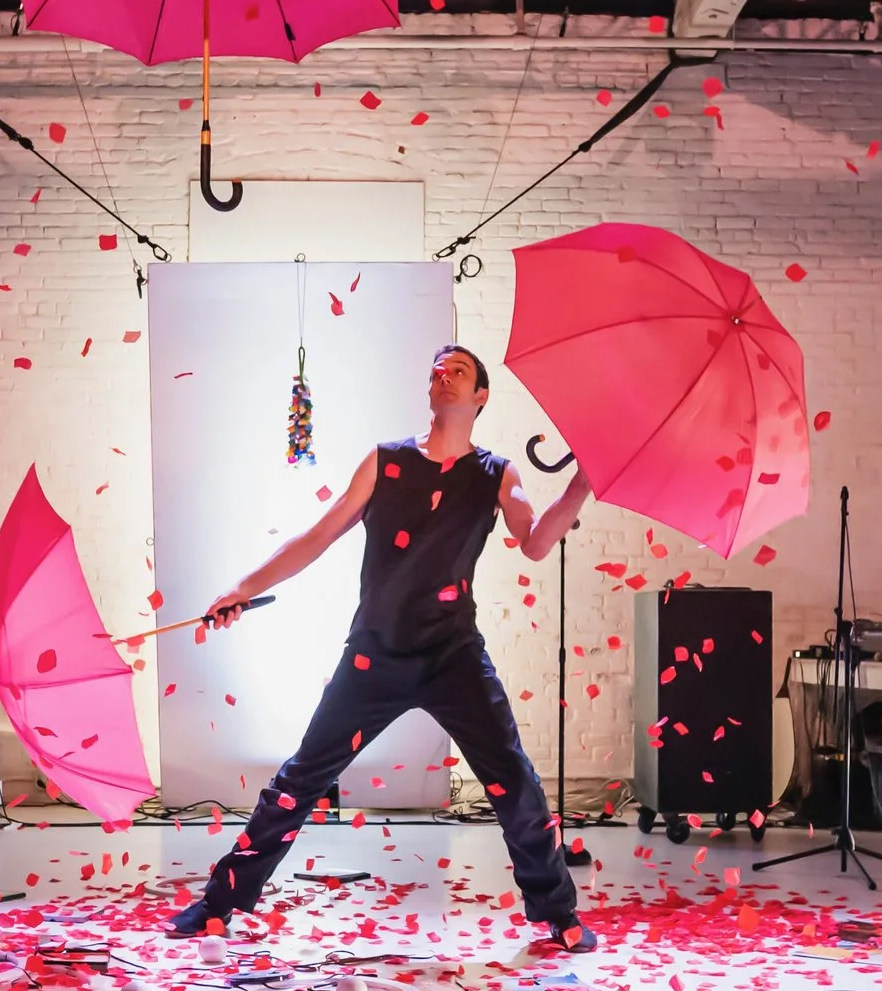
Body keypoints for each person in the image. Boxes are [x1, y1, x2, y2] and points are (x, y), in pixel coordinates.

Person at [165, 345, 600, 951]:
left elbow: (533, 541)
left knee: (515, 782)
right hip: (375, 654)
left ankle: (558, 912)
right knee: (299, 780)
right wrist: (242, 588)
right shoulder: (386, 461)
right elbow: (317, 537)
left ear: (481, 397)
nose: (442, 375)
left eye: (460, 371)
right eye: (436, 369)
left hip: (453, 655)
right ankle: (219, 903)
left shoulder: (497, 473)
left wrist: (581, 485)